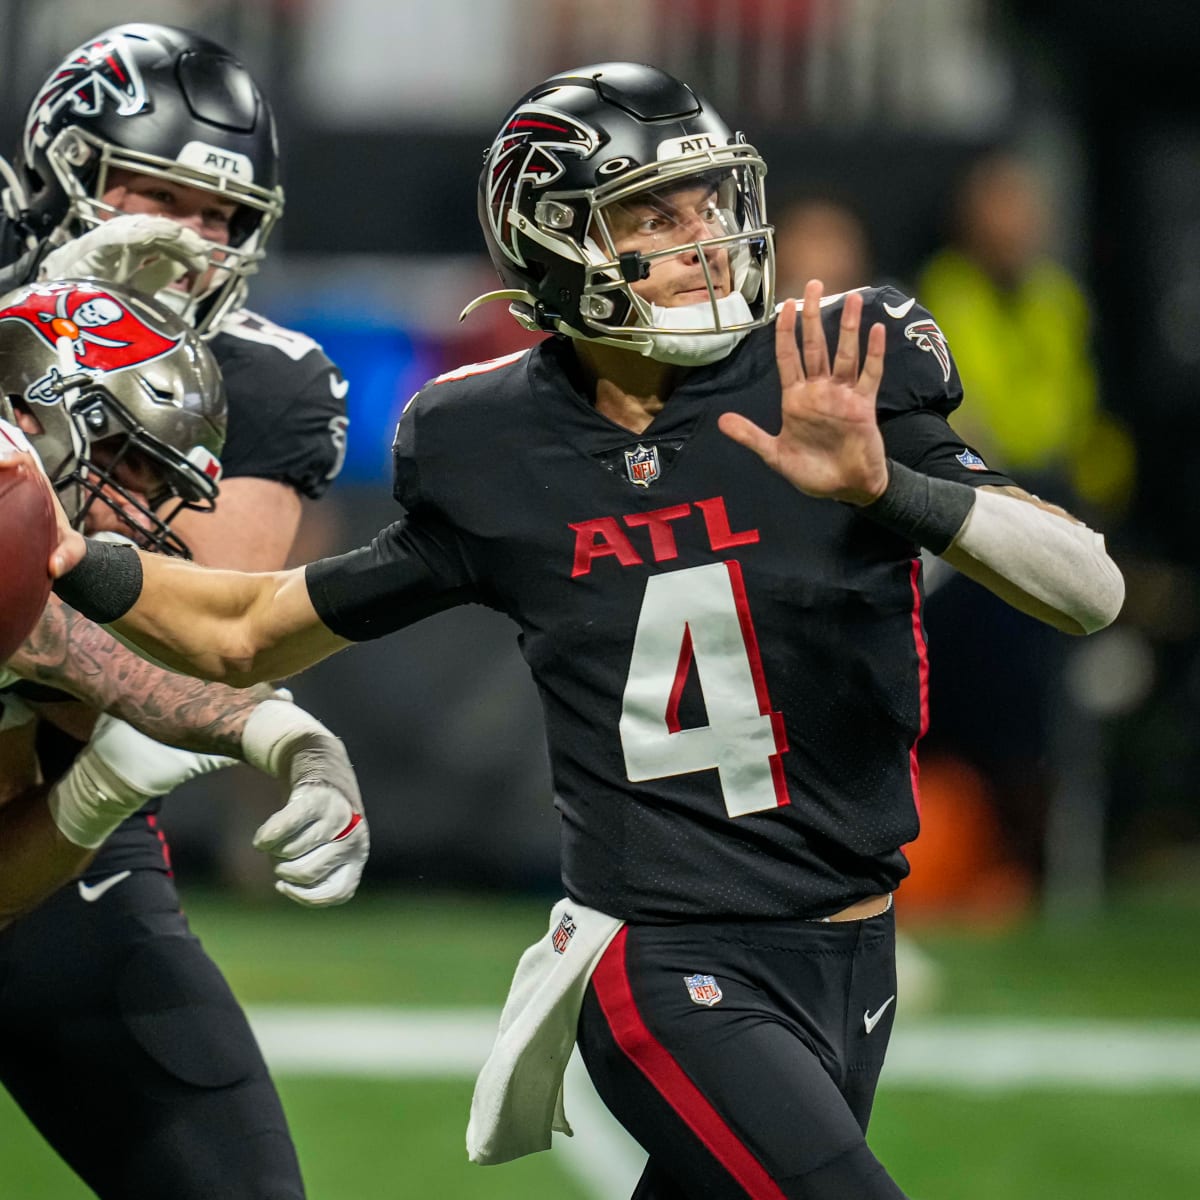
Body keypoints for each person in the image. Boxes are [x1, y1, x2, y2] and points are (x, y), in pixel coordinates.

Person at [40, 63, 1125, 1199]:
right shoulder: (493, 442)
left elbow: (1085, 589)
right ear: (557, 241)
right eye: (657, 212)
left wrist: (884, 487)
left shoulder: (836, 367)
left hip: (852, 950)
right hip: (664, 961)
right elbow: (250, 629)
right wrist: (72, 564)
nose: (706, 236)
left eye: (711, 199)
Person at [0, 24, 348, 1199]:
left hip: (55, 833)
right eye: (157, 194)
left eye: (222, 219)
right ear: (61, 172)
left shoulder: (260, 374)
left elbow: (196, 619)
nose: (188, 242)